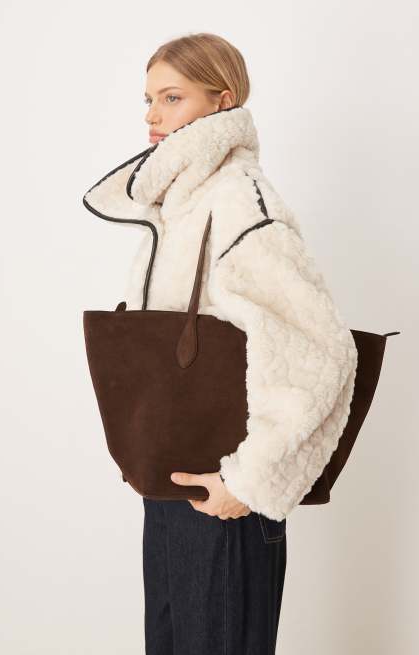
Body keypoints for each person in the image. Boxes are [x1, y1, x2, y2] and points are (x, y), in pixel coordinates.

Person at [82, 32, 358, 655]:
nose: (153, 116)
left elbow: (322, 352)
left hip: (223, 495)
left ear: (222, 100)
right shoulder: (179, 207)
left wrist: (249, 481)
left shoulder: (238, 203)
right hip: (171, 489)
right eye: (149, 99)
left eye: (172, 97)